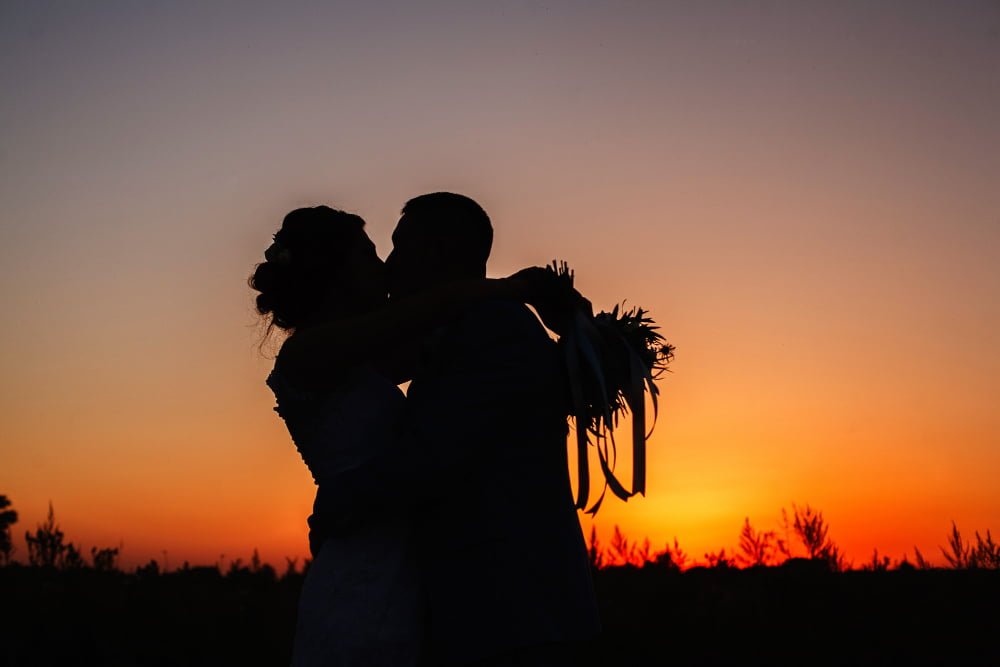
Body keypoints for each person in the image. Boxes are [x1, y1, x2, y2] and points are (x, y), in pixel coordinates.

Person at [250, 204, 585, 666]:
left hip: (424, 572)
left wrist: (568, 325)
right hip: (367, 562)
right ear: (338, 271)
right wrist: (511, 288)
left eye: (393, 249)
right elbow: (435, 310)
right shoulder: (311, 351)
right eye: (370, 253)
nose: (386, 266)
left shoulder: (410, 349)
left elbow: (460, 383)